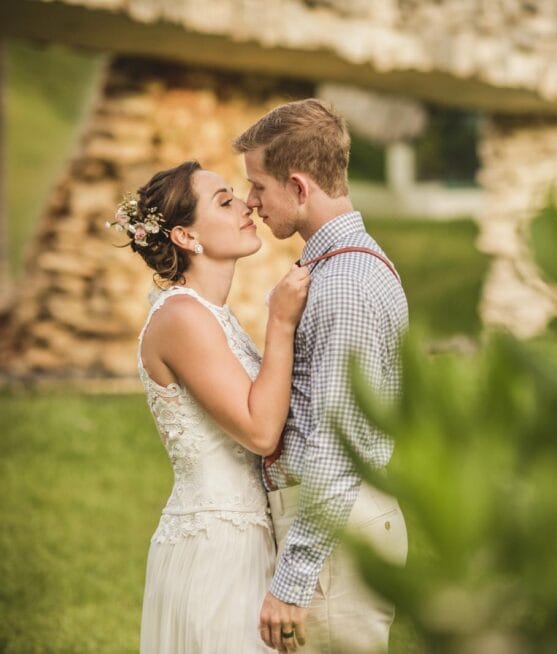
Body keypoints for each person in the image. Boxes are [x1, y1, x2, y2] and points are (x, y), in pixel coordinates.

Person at [110, 160, 310, 652]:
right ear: (185, 236)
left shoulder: (212, 316)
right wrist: (280, 323)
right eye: (225, 202)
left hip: (247, 539)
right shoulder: (181, 317)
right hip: (217, 548)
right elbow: (260, 432)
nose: (246, 206)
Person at [234, 99, 409, 653]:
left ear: (299, 186)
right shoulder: (342, 267)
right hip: (340, 527)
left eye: (258, 187)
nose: (250, 202)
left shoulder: (343, 285)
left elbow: (338, 442)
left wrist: (292, 581)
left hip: (335, 534)